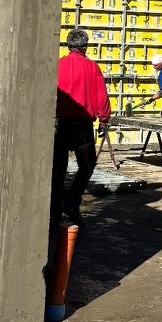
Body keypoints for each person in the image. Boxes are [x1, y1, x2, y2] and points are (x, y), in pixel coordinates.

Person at [53, 27, 111, 226]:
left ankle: (54, 213)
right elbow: (102, 96)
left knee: (58, 168)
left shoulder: (58, 65)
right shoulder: (92, 67)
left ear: (68, 45)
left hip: (61, 124)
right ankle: (72, 202)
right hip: (83, 126)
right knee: (86, 166)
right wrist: (104, 120)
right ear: (85, 47)